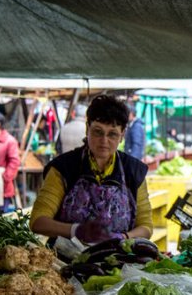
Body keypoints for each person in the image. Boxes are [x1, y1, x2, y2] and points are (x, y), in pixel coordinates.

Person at [30, 95, 152, 245]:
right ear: (87, 129)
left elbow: (146, 226)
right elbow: (37, 221)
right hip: (65, 261)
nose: (104, 141)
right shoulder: (63, 168)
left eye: (112, 134)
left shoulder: (133, 170)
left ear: (122, 135)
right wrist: (76, 230)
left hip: (116, 259)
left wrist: (124, 238)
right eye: (98, 132)